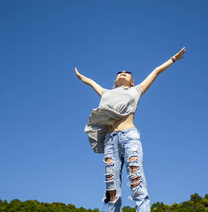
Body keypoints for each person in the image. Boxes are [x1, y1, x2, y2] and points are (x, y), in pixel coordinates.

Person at [75, 47, 186, 212]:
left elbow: (156, 72)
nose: (123, 72)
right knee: (112, 189)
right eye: (119, 72)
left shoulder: (136, 90)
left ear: (132, 81)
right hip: (110, 141)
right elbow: (92, 83)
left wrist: (173, 59)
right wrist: (81, 77)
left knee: (136, 181)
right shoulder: (106, 93)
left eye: (127, 72)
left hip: (129, 137)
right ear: (115, 81)